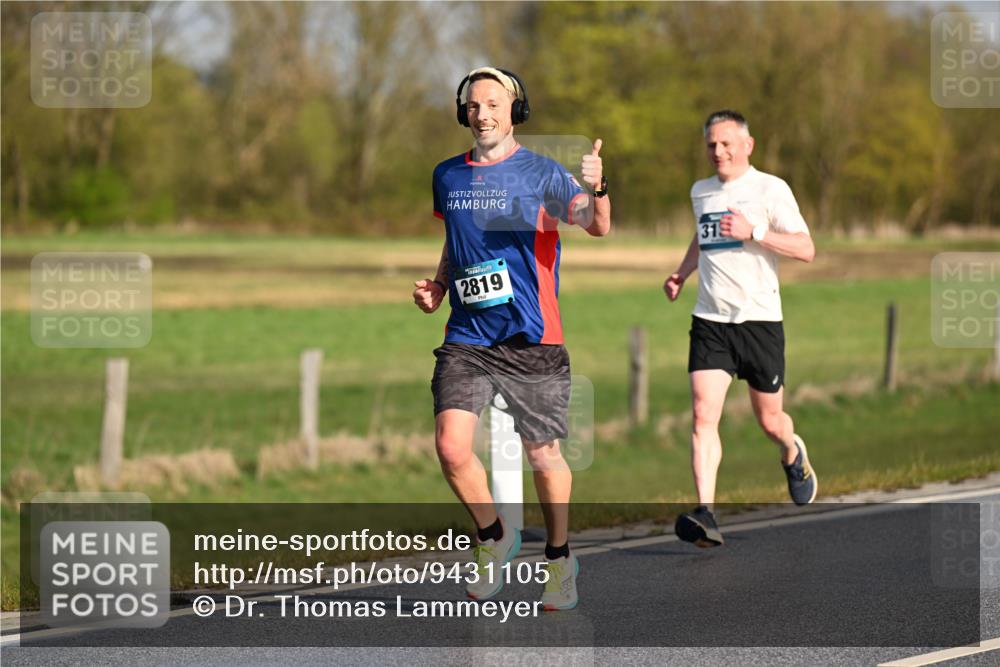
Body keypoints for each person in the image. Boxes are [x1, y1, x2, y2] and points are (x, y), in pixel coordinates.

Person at [412, 67, 611, 609]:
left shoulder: (542, 172)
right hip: (468, 335)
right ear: (463, 113)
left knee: (543, 456)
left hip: (532, 336)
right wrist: (439, 284)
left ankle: (560, 558)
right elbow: (458, 242)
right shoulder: (447, 176)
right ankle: (494, 538)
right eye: (474, 106)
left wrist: (597, 186)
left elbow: (595, 224)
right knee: (452, 448)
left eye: (494, 105)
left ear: (514, 111)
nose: (483, 115)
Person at [663, 110, 816, 548]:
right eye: (712, 144)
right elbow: (702, 235)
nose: (719, 152)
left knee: (770, 421)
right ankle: (706, 512)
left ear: (748, 145)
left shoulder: (771, 189)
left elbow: (806, 248)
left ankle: (792, 450)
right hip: (711, 320)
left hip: (760, 321)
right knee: (702, 415)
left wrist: (756, 231)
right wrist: (682, 273)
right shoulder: (701, 191)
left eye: (727, 143)